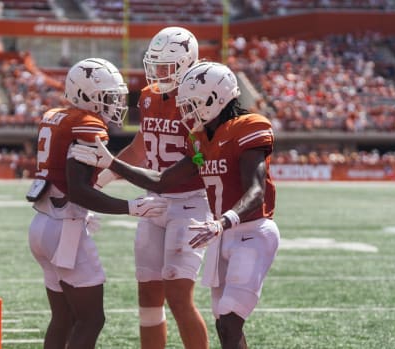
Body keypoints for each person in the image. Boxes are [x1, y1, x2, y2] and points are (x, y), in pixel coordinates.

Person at [73, 61, 280, 349]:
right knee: (224, 322)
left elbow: (256, 190)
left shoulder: (248, 127)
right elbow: (162, 180)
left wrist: (223, 221)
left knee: (229, 318)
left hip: (249, 231)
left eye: (192, 104)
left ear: (215, 99)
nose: (185, 112)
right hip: (222, 233)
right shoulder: (201, 142)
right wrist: (110, 163)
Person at [26, 58, 167, 349]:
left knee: (63, 318)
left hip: (42, 224)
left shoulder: (56, 115)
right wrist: (129, 207)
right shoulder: (86, 123)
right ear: (87, 93)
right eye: (108, 96)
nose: (115, 102)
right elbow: (78, 191)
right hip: (65, 228)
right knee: (91, 320)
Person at [93, 26, 210, 349]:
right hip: (153, 199)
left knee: (178, 294)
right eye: (155, 64)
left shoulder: (199, 101)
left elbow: (200, 159)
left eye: (167, 66)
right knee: (147, 295)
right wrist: (101, 178)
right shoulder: (148, 96)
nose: (159, 72)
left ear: (187, 64)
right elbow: (142, 146)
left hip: (189, 203)